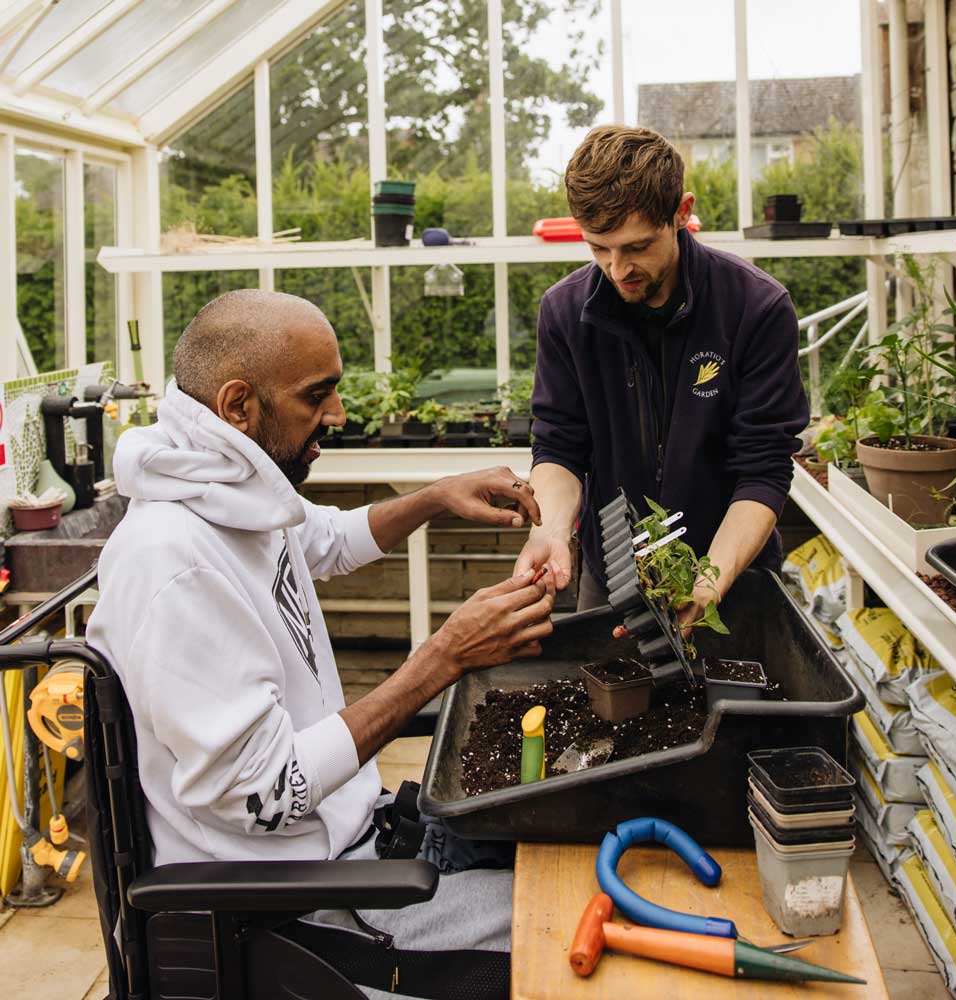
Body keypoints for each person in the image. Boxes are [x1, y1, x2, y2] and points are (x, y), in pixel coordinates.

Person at [87, 289, 554, 1000]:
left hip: (361, 837)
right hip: (300, 907)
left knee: (562, 841)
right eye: (317, 395)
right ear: (238, 405)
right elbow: (266, 794)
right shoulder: (174, 563)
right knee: (569, 923)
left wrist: (434, 496)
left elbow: (319, 539)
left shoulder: (223, 479)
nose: (337, 415)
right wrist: (443, 657)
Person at [514, 125, 810, 627]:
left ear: (682, 212)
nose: (617, 268)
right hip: (610, 581)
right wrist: (552, 531)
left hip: (732, 575)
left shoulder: (755, 308)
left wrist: (712, 577)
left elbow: (763, 469)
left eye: (637, 246)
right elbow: (560, 448)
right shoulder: (564, 313)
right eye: (598, 249)